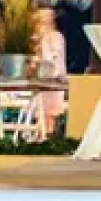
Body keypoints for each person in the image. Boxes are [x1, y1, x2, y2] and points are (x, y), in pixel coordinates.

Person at [33, 7, 68, 135]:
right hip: (43, 78)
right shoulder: (41, 39)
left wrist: (41, 60)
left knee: (50, 111)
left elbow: (55, 58)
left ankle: (48, 135)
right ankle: (42, 134)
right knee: (42, 110)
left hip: (53, 78)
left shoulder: (55, 36)